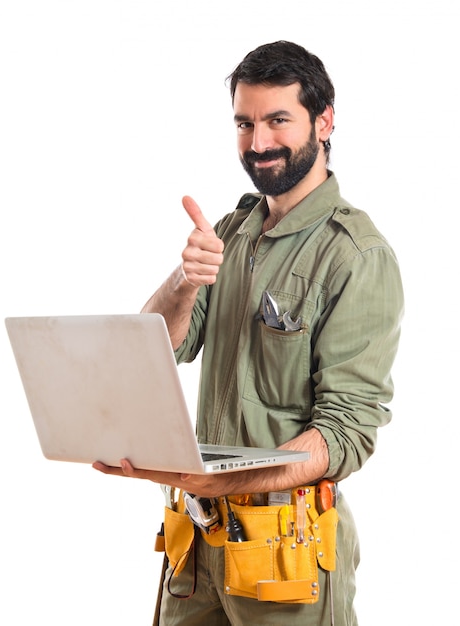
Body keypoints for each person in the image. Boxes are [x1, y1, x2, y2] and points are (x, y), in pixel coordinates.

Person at [93, 40, 404, 625]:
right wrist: (188, 280)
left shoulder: (356, 255)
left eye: (277, 120)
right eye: (245, 123)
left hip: (287, 554)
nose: (258, 142)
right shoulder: (229, 233)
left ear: (325, 120)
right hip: (195, 548)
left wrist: (217, 479)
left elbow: (345, 433)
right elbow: (154, 351)